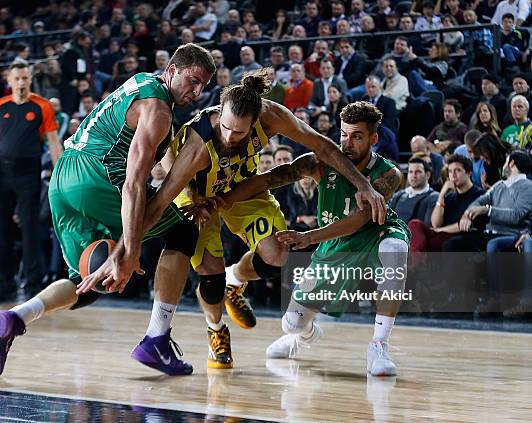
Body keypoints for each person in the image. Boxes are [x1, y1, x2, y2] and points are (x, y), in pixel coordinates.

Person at [0, 44, 216, 377]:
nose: (198, 91)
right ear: (173, 71)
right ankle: (157, 339)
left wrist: (188, 195)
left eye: (204, 85)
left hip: (63, 179)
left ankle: (14, 318)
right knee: (182, 232)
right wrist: (131, 251)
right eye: (193, 81)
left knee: (93, 279)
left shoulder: (142, 81)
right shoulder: (158, 109)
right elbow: (134, 183)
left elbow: (154, 169)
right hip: (98, 176)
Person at [137, 72, 387, 370]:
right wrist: (187, 203)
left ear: (256, 121)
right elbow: (169, 176)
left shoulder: (273, 117)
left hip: (243, 187)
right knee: (210, 278)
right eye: (226, 128)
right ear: (220, 113)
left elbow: (322, 146)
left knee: (276, 254)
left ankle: (236, 279)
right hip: (196, 195)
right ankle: (216, 329)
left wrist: (363, 184)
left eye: (240, 133)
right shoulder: (198, 139)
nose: (230, 136)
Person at [217, 101, 409, 376]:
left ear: (373, 138)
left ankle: (379, 345)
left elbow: (358, 221)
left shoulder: (389, 174)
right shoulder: (318, 163)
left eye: (357, 136)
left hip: (375, 235)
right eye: (344, 134)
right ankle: (301, 337)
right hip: (334, 245)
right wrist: (220, 200)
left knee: (395, 248)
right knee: (292, 323)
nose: (348, 142)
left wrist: (308, 237)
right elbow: (270, 179)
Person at [0, 62, 64, 304]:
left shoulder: (42, 106)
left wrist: (59, 173)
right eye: (17, 78)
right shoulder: (0, 105)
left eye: (25, 78)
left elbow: (52, 142)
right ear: (9, 80)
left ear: (30, 80)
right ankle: (5, 285)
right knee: (0, 230)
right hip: (3, 172)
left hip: (29, 172)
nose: (21, 82)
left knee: (30, 229)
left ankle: (32, 285)